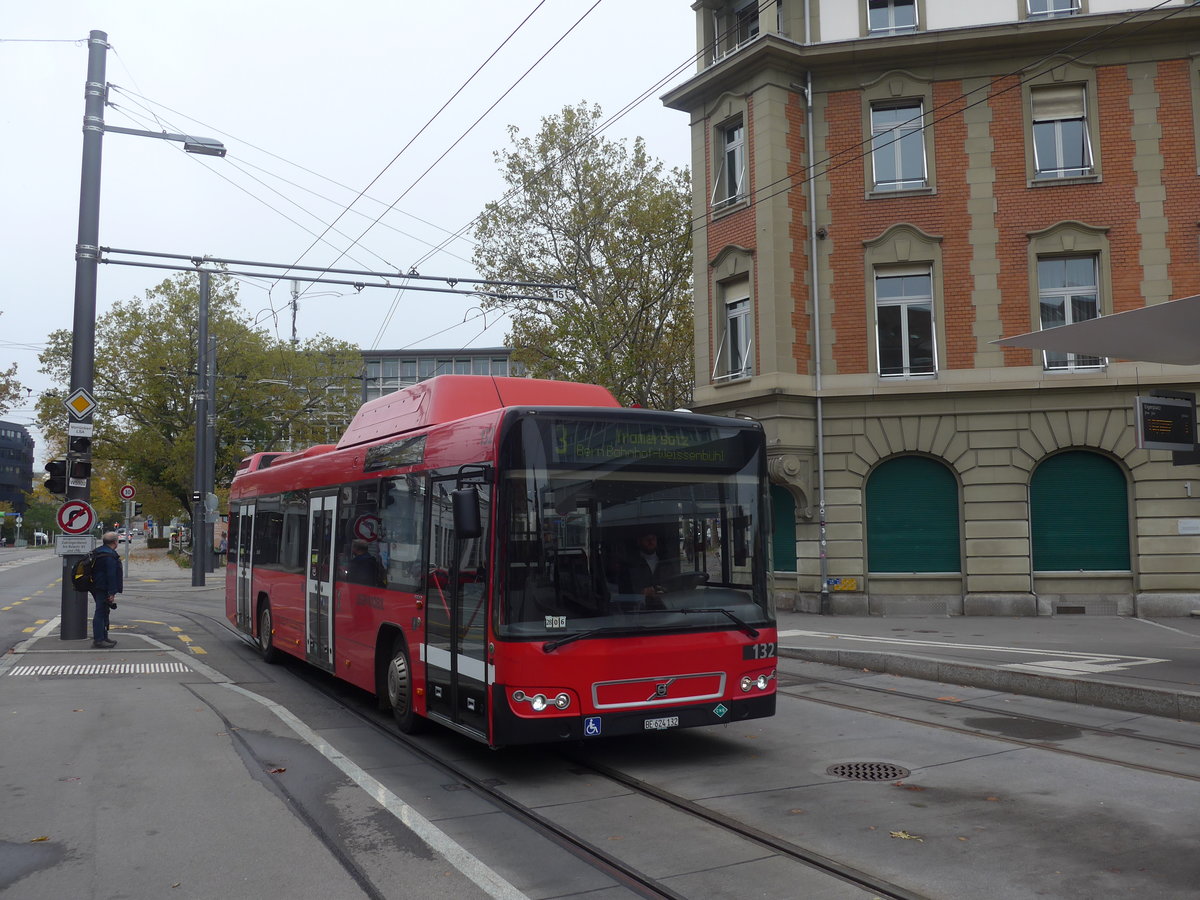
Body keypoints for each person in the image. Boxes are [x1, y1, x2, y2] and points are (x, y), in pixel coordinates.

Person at [619, 531, 678, 599]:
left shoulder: (665, 562)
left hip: (667, 606)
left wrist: (666, 590)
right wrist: (641, 592)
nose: (650, 541)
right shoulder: (630, 564)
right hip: (640, 607)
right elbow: (623, 590)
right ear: (639, 541)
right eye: (646, 539)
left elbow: (675, 585)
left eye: (653, 538)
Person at [91, 531, 123, 649]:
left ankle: (103, 637)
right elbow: (111, 575)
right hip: (103, 587)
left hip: (96, 585)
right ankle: (99, 640)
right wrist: (111, 592)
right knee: (100, 612)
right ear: (115, 542)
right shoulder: (109, 555)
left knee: (104, 611)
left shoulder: (98, 552)